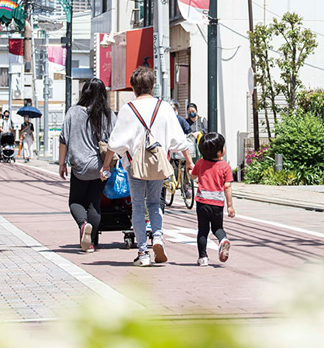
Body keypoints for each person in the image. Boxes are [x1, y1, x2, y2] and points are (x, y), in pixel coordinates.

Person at [100, 67, 195, 267]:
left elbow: (115, 143)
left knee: (137, 205)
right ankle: (158, 238)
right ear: (152, 86)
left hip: (135, 165)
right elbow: (179, 140)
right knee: (154, 203)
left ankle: (143, 252)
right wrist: (189, 161)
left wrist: (106, 165)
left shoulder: (128, 109)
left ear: (134, 88)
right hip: (158, 164)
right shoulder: (165, 107)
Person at [59, 78, 116, 253]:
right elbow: (114, 142)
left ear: (85, 92)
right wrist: (107, 165)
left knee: (75, 201)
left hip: (79, 166)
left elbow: (63, 140)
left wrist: (62, 164)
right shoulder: (109, 114)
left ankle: (83, 225)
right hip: (100, 166)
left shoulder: (73, 112)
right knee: (94, 204)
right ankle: (90, 243)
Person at [189, 132, 235, 267]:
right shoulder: (225, 166)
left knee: (203, 230)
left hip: (202, 202)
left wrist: (189, 170)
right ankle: (223, 240)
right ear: (220, 151)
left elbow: (193, 176)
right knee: (217, 227)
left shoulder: (200, 163)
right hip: (217, 203)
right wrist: (230, 206)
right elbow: (227, 186)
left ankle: (203, 257)